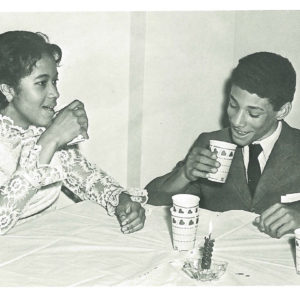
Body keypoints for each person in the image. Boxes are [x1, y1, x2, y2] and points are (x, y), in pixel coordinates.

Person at [0, 30, 147, 235]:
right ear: (8, 90)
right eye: (42, 83)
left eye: (54, 81)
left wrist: (122, 201)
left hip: (42, 248)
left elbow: (87, 180)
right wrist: (50, 140)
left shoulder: (38, 129)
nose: (55, 93)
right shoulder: (44, 135)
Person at [146, 51, 300, 239]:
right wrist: (184, 174)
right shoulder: (210, 143)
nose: (237, 121)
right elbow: (151, 201)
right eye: (233, 105)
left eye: (253, 113)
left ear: (282, 111)